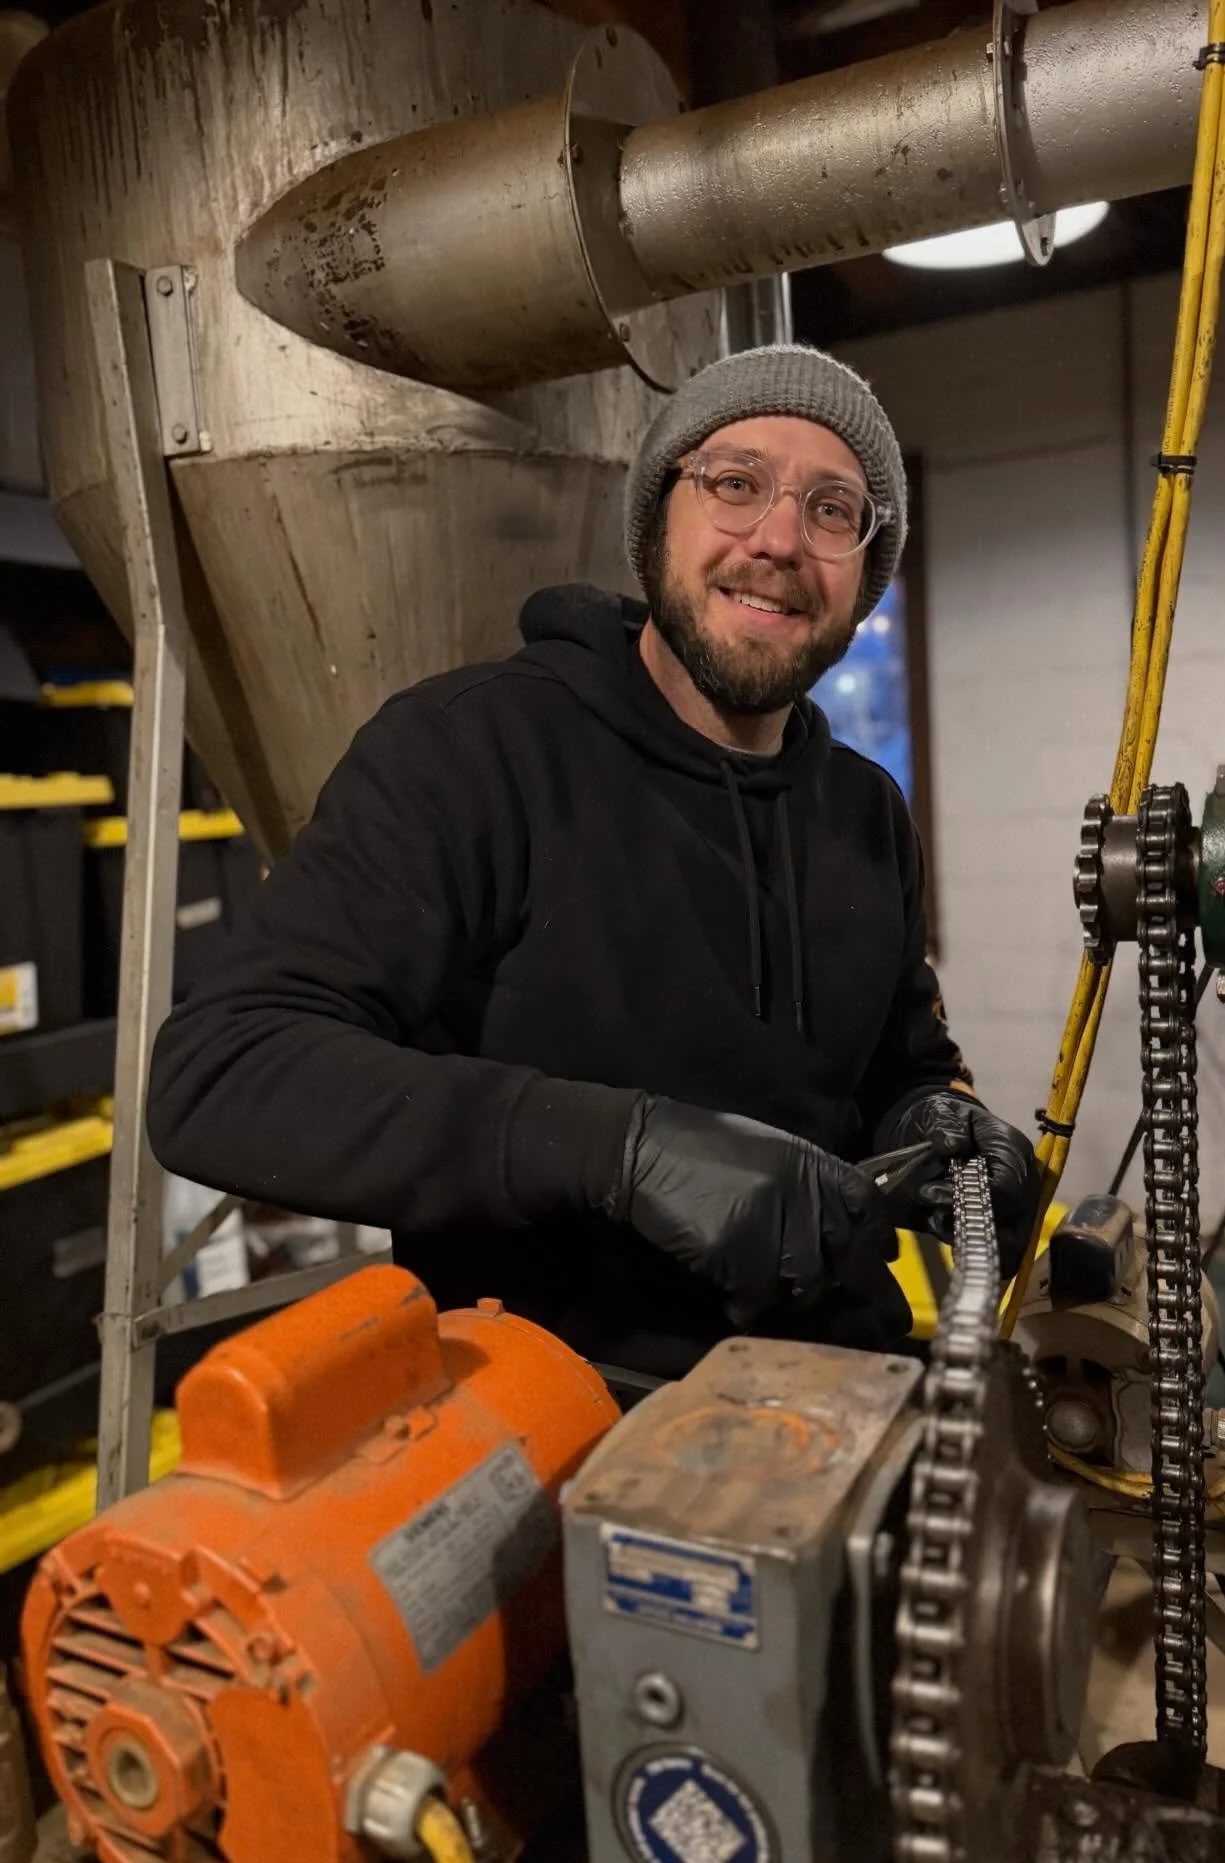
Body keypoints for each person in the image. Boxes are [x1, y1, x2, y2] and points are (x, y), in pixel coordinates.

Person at [147, 345, 1037, 1378]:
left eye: (834, 511)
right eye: (736, 485)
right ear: (658, 517)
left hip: (836, 1393)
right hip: (551, 1424)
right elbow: (221, 1071)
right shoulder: (471, 753)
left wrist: (939, 1118)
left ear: (867, 571)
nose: (782, 540)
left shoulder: (865, 812)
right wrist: (614, 1149)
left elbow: (896, 1060)